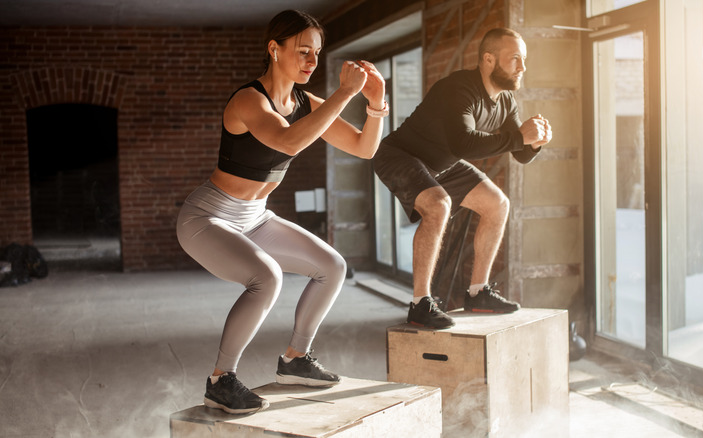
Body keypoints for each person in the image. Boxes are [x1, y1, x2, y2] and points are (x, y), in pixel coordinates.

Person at [176, 9, 387, 414]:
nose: (312, 61)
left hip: (255, 217)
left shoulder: (306, 103)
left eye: (317, 53)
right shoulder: (248, 99)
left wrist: (376, 104)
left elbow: (364, 148)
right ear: (274, 49)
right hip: (207, 218)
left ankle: (295, 359)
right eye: (304, 51)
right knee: (266, 277)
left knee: (332, 265)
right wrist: (345, 94)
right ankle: (221, 380)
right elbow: (288, 142)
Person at [373, 27, 551, 329]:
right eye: (515, 59)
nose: (523, 68)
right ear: (488, 60)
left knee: (498, 204)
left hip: (443, 162)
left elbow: (519, 151)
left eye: (524, 60)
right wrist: (521, 138)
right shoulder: (458, 89)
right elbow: (465, 144)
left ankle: (478, 292)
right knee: (438, 204)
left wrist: (536, 142)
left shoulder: (506, 101)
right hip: (399, 155)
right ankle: (420, 303)